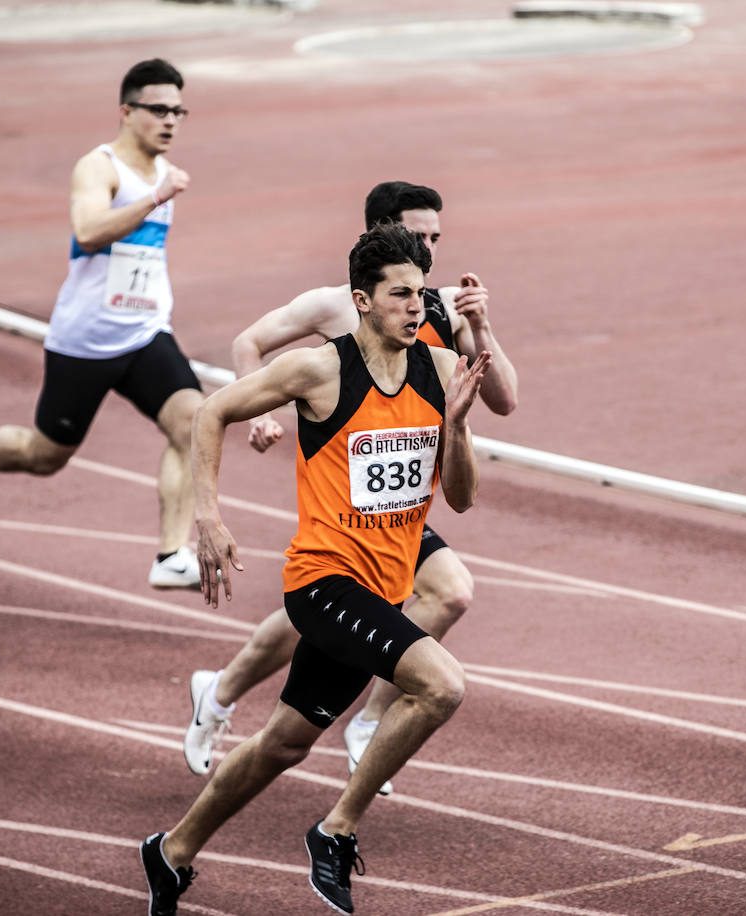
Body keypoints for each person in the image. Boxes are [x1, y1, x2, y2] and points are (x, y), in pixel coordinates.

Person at [142, 222, 490, 915]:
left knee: (283, 745)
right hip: (323, 583)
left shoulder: (441, 368)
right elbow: (212, 412)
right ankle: (335, 831)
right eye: (399, 295)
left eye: (421, 293)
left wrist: (454, 427)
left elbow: (462, 496)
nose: (416, 307)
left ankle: (170, 852)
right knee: (442, 687)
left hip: (382, 590)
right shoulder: (321, 369)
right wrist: (206, 517)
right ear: (361, 300)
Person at [182, 181, 517, 793]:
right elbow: (247, 344)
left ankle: (367, 719)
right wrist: (258, 411)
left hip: (404, 501)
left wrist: (483, 327)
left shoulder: (435, 307)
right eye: (419, 236)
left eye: (437, 239)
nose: (432, 251)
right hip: (345, 501)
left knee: (449, 594)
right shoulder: (331, 306)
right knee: (313, 616)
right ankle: (224, 691)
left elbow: (503, 399)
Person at [0, 58, 203, 589]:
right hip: (84, 342)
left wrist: (157, 195)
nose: (170, 120)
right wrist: (152, 199)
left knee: (193, 423)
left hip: (145, 334)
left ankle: (171, 555)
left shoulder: (166, 173)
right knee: (44, 456)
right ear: (127, 111)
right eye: (159, 109)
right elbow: (89, 230)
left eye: (179, 111)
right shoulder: (98, 168)